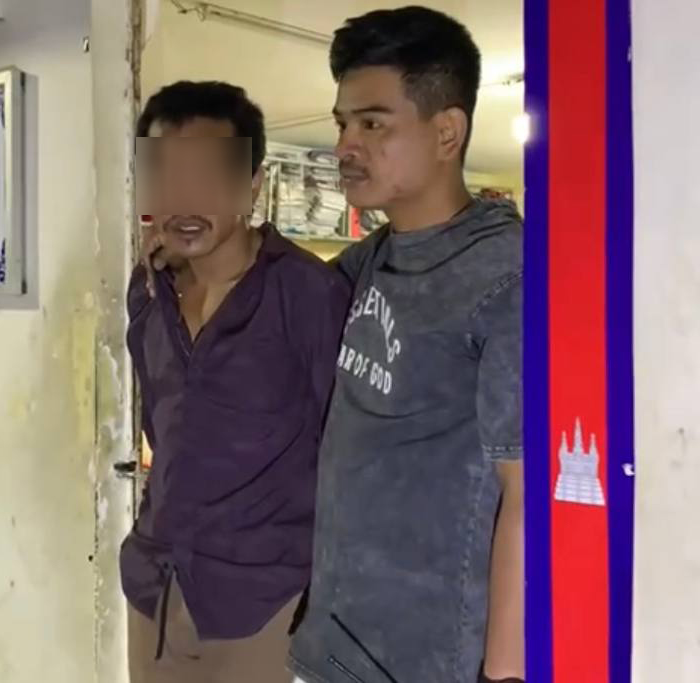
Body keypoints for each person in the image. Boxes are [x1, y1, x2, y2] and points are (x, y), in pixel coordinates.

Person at [286, 7, 525, 683]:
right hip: (333, 647)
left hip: (422, 662)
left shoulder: (506, 276)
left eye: (373, 124)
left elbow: (526, 496)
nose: (344, 146)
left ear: (447, 132)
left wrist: (504, 677)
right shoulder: (373, 259)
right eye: (342, 124)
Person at [121, 80, 350, 683]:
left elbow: (347, 457)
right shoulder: (149, 293)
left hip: (263, 603)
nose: (184, 200)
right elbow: (165, 431)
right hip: (155, 588)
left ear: (252, 186)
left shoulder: (308, 294)